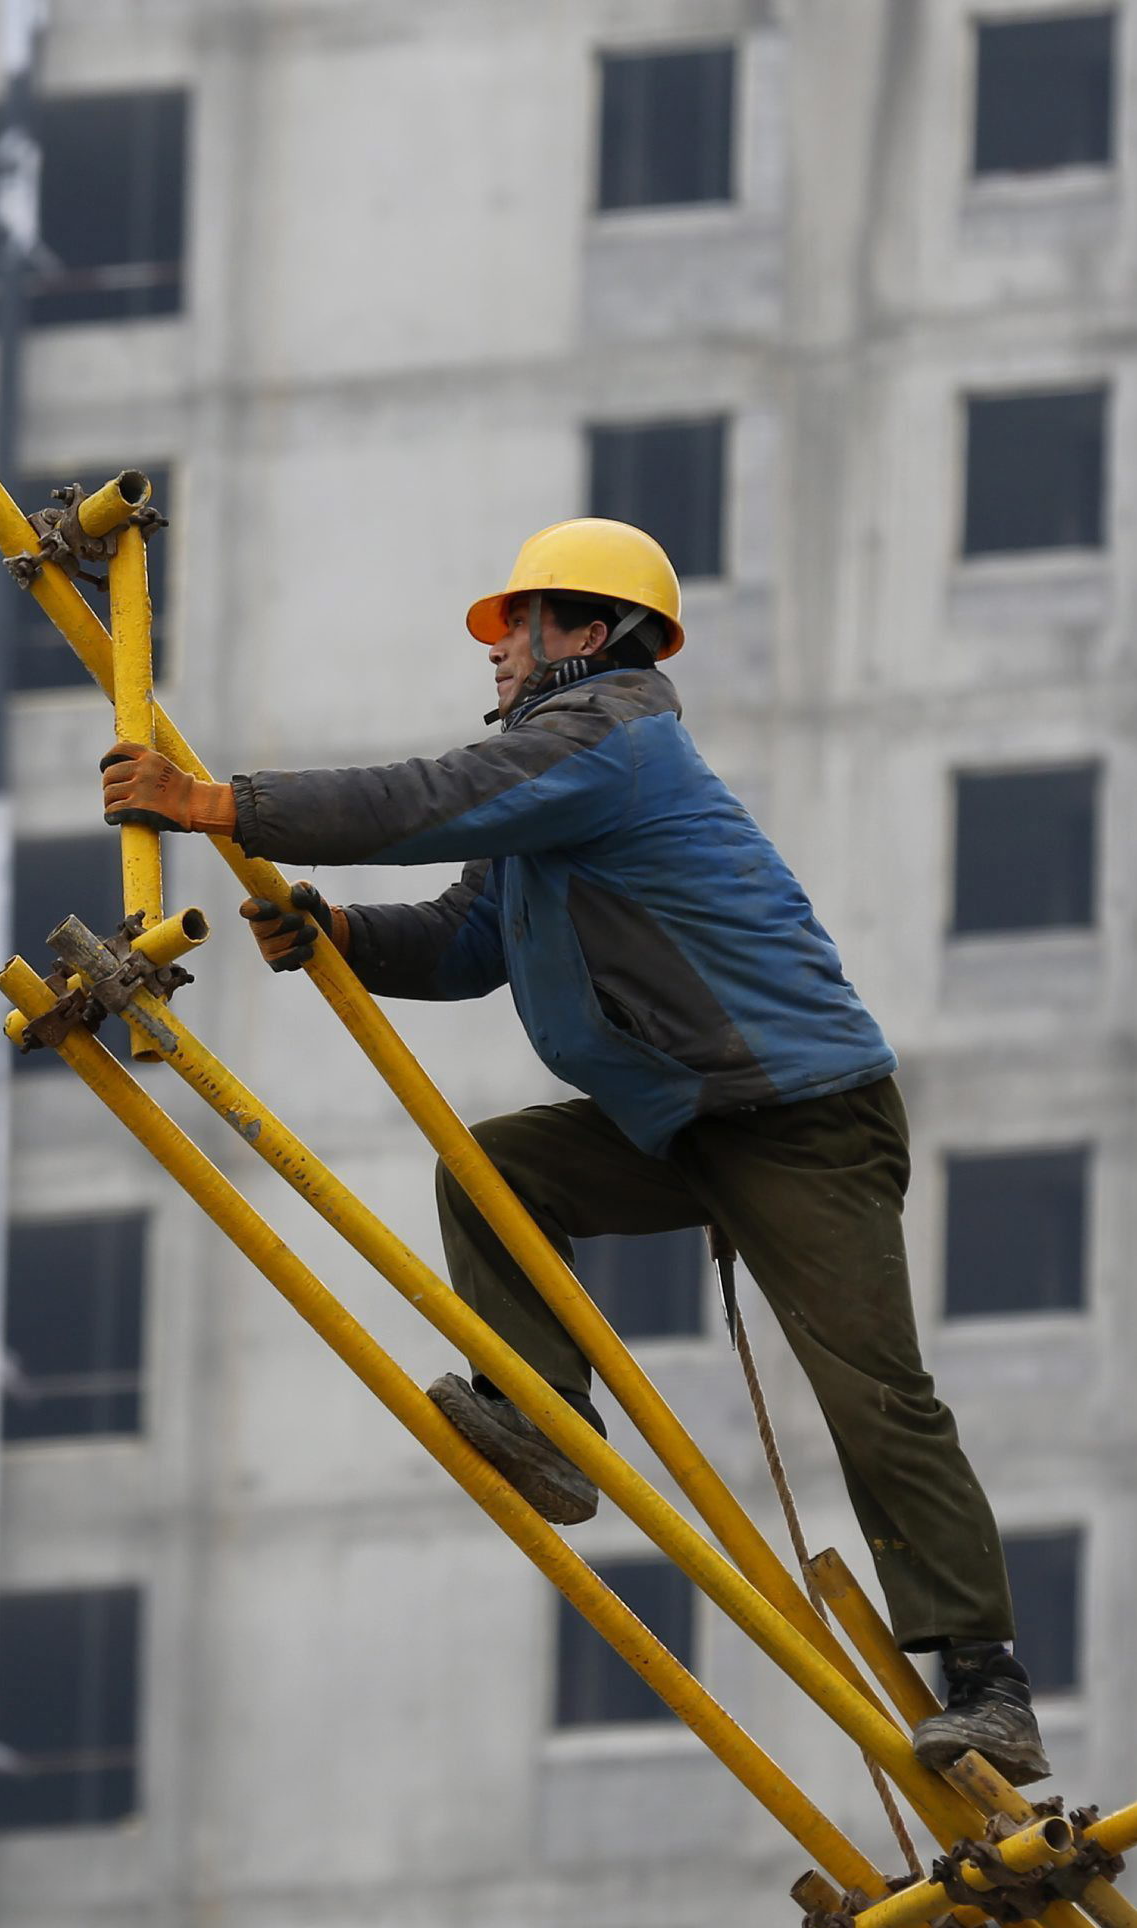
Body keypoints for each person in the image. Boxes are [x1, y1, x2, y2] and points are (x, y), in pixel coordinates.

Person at [94, 517, 1046, 1784]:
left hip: (801, 1120)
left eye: (516, 629)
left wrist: (222, 806)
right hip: (683, 1115)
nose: (494, 655)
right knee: (497, 1175)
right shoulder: (551, 792)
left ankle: (985, 1682)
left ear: (586, 636)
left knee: (873, 1396)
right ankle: (541, 1420)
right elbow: (466, 942)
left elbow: (429, 799)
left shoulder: (614, 738)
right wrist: (335, 932)